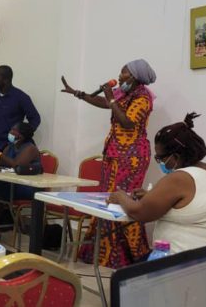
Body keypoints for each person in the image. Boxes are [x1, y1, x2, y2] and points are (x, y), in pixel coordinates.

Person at [61, 58, 156, 268]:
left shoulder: (143, 98)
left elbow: (127, 122)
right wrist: (78, 93)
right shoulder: (125, 94)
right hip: (114, 154)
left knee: (122, 201)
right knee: (107, 200)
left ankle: (129, 255)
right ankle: (101, 253)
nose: (119, 76)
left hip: (132, 158)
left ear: (135, 76)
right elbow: (104, 103)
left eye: (123, 72)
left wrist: (111, 98)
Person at [107, 113, 206, 255]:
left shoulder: (180, 178)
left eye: (160, 158)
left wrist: (121, 197)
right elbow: (193, 203)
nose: (160, 163)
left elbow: (139, 212)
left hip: (194, 262)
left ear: (176, 156)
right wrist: (152, 196)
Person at [0, 122, 42, 240]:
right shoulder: (11, 146)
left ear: (21, 135)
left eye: (13, 130)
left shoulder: (30, 148)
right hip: (12, 183)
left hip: (27, 186)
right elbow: (2, 162)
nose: (10, 132)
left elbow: (16, 165)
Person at [0, 65, 41, 148]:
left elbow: (35, 118)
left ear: (6, 80)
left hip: (10, 147)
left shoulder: (21, 97)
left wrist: (22, 136)